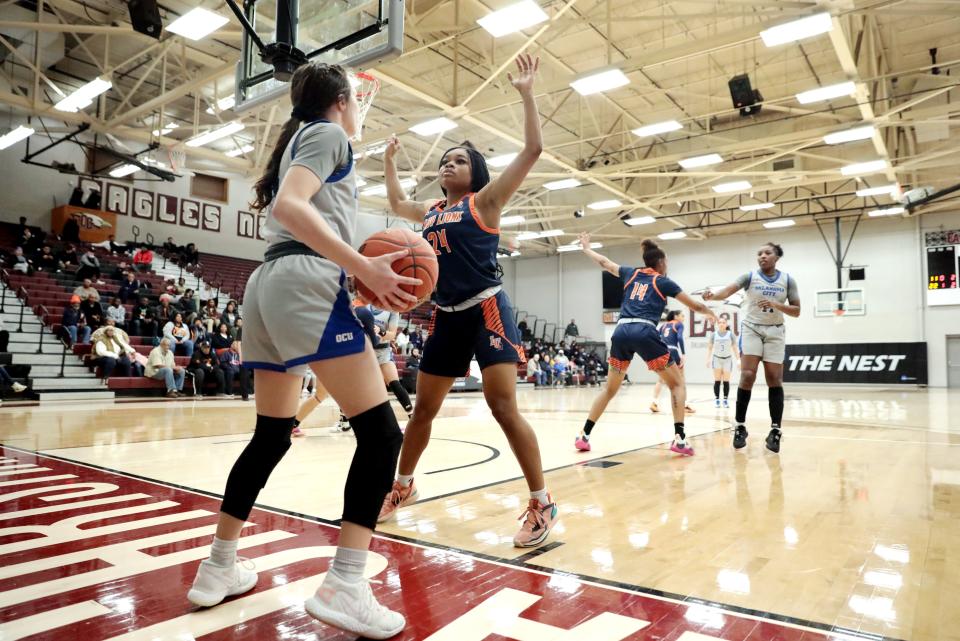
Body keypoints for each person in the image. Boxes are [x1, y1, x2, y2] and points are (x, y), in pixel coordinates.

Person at [186, 62, 417, 639]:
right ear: (342, 101)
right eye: (357, 99)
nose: (360, 109)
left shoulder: (307, 138)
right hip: (305, 281)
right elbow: (290, 207)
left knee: (271, 433)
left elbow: (290, 211)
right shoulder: (328, 133)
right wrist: (360, 264)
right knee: (383, 434)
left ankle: (218, 566)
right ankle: (346, 581)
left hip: (268, 284)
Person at [379, 54, 558, 548]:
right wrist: (390, 161)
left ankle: (542, 502)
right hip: (445, 315)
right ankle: (403, 486)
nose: (447, 163)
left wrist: (525, 92)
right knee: (421, 412)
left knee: (501, 406)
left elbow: (534, 149)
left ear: (475, 172)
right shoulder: (432, 209)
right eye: (444, 159)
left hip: (487, 308)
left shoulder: (486, 202)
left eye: (458, 159)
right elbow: (396, 204)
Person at [573, 234, 716, 456]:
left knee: (610, 389)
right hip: (644, 331)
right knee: (677, 384)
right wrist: (709, 313)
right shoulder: (663, 281)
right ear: (660, 263)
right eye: (666, 262)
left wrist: (586, 249)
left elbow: (604, 262)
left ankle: (584, 434)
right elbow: (694, 305)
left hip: (620, 332)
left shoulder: (631, 273)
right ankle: (679, 439)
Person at [703, 242, 800, 453]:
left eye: (768, 253)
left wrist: (776, 305)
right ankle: (739, 426)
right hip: (752, 329)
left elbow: (796, 310)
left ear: (777, 257)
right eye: (759, 253)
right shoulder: (749, 277)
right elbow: (728, 290)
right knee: (747, 375)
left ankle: (775, 430)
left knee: (774, 378)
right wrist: (713, 295)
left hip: (775, 331)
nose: (763, 256)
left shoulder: (788, 280)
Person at [355, 303, 414, 418]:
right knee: (355, 385)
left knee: (395, 384)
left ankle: (412, 415)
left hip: (383, 351)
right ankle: (344, 420)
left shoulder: (393, 310)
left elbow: (392, 335)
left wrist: (380, 332)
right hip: (364, 349)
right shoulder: (364, 305)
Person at [650, 311, 696, 415]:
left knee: (660, 379)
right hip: (673, 351)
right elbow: (679, 338)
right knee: (681, 380)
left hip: (662, 351)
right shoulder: (678, 324)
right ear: (676, 316)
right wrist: (683, 353)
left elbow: (656, 337)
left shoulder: (663, 326)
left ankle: (654, 402)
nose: (683, 318)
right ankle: (684, 405)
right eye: (682, 315)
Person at [705, 317, 739, 408]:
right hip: (717, 359)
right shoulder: (713, 335)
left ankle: (725, 400)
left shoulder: (730, 334)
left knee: (726, 381)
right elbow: (709, 348)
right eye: (719, 322)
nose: (721, 324)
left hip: (727, 359)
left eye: (723, 322)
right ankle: (717, 400)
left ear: (726, 324)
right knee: (717, 380)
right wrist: (708, 359)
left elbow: (735, 348)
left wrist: (738, 359)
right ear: (717, 324)